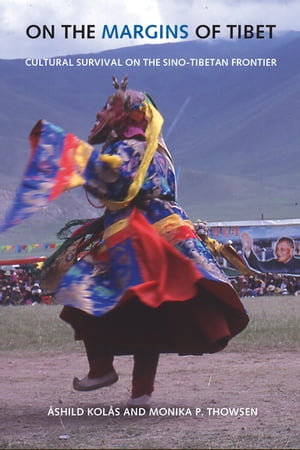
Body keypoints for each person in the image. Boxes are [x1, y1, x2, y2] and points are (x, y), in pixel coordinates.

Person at [14, 76, 250, 407]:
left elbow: (118, 185)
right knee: (144, 312)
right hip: (153, 236)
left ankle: (102, 368)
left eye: (108, 109)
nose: (98, 116)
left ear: (129, 117)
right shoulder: (153, 148)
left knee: (86, 293)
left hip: (139, 239)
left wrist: (70, 159)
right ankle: (139, 390)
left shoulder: (131, 148)